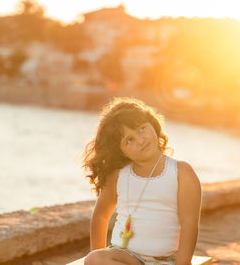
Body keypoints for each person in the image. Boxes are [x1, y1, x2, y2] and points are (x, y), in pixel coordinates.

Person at [82, 97, 202, 265]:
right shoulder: (118, 176)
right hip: (126, 257)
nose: (140, 140)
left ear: (152, 124)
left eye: (141, 129)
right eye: (129, 140)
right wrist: (97, 257)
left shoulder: (181, 173)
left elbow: (189, 223)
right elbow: (101, 216)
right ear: (121, 151)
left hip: (165, 260)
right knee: (94, 258)